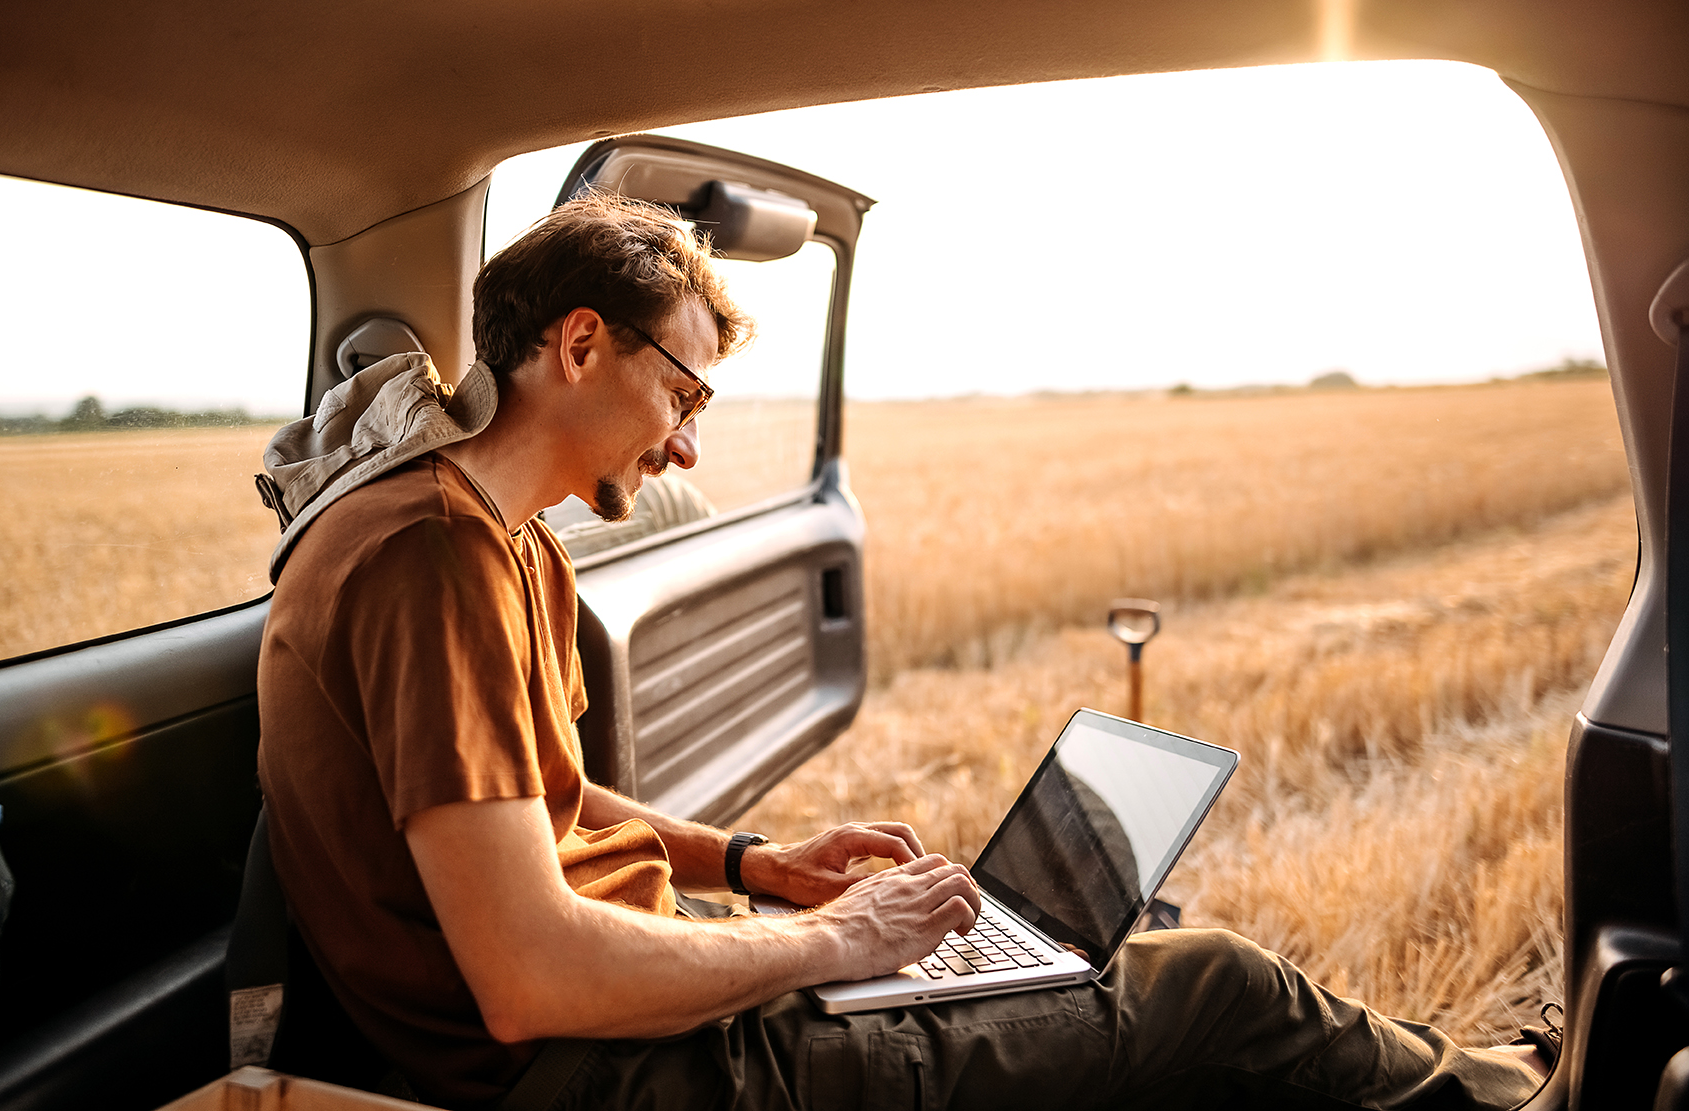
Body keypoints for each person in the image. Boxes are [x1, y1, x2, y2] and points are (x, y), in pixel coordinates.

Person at [255, 193, 1548, 1111]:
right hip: (590, 1073)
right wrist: (834, 944)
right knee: (1209, 986)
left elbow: (542, 798)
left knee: (1113, 970)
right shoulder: (434, 554)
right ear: (580, 342)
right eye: (683, 395)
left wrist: (760, 867)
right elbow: (533, 980)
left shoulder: (500, 537)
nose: (687, 447)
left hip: (613, 1005)